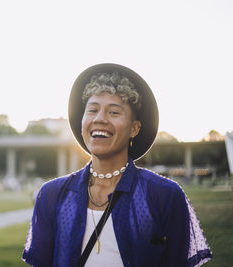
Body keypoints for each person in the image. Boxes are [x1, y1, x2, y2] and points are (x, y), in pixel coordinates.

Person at [22, 63, 212, 267]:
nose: (99, 119)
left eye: (114, 112)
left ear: (134, 128)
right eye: (93, 110)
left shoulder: (164, 195)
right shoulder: (51, 195)